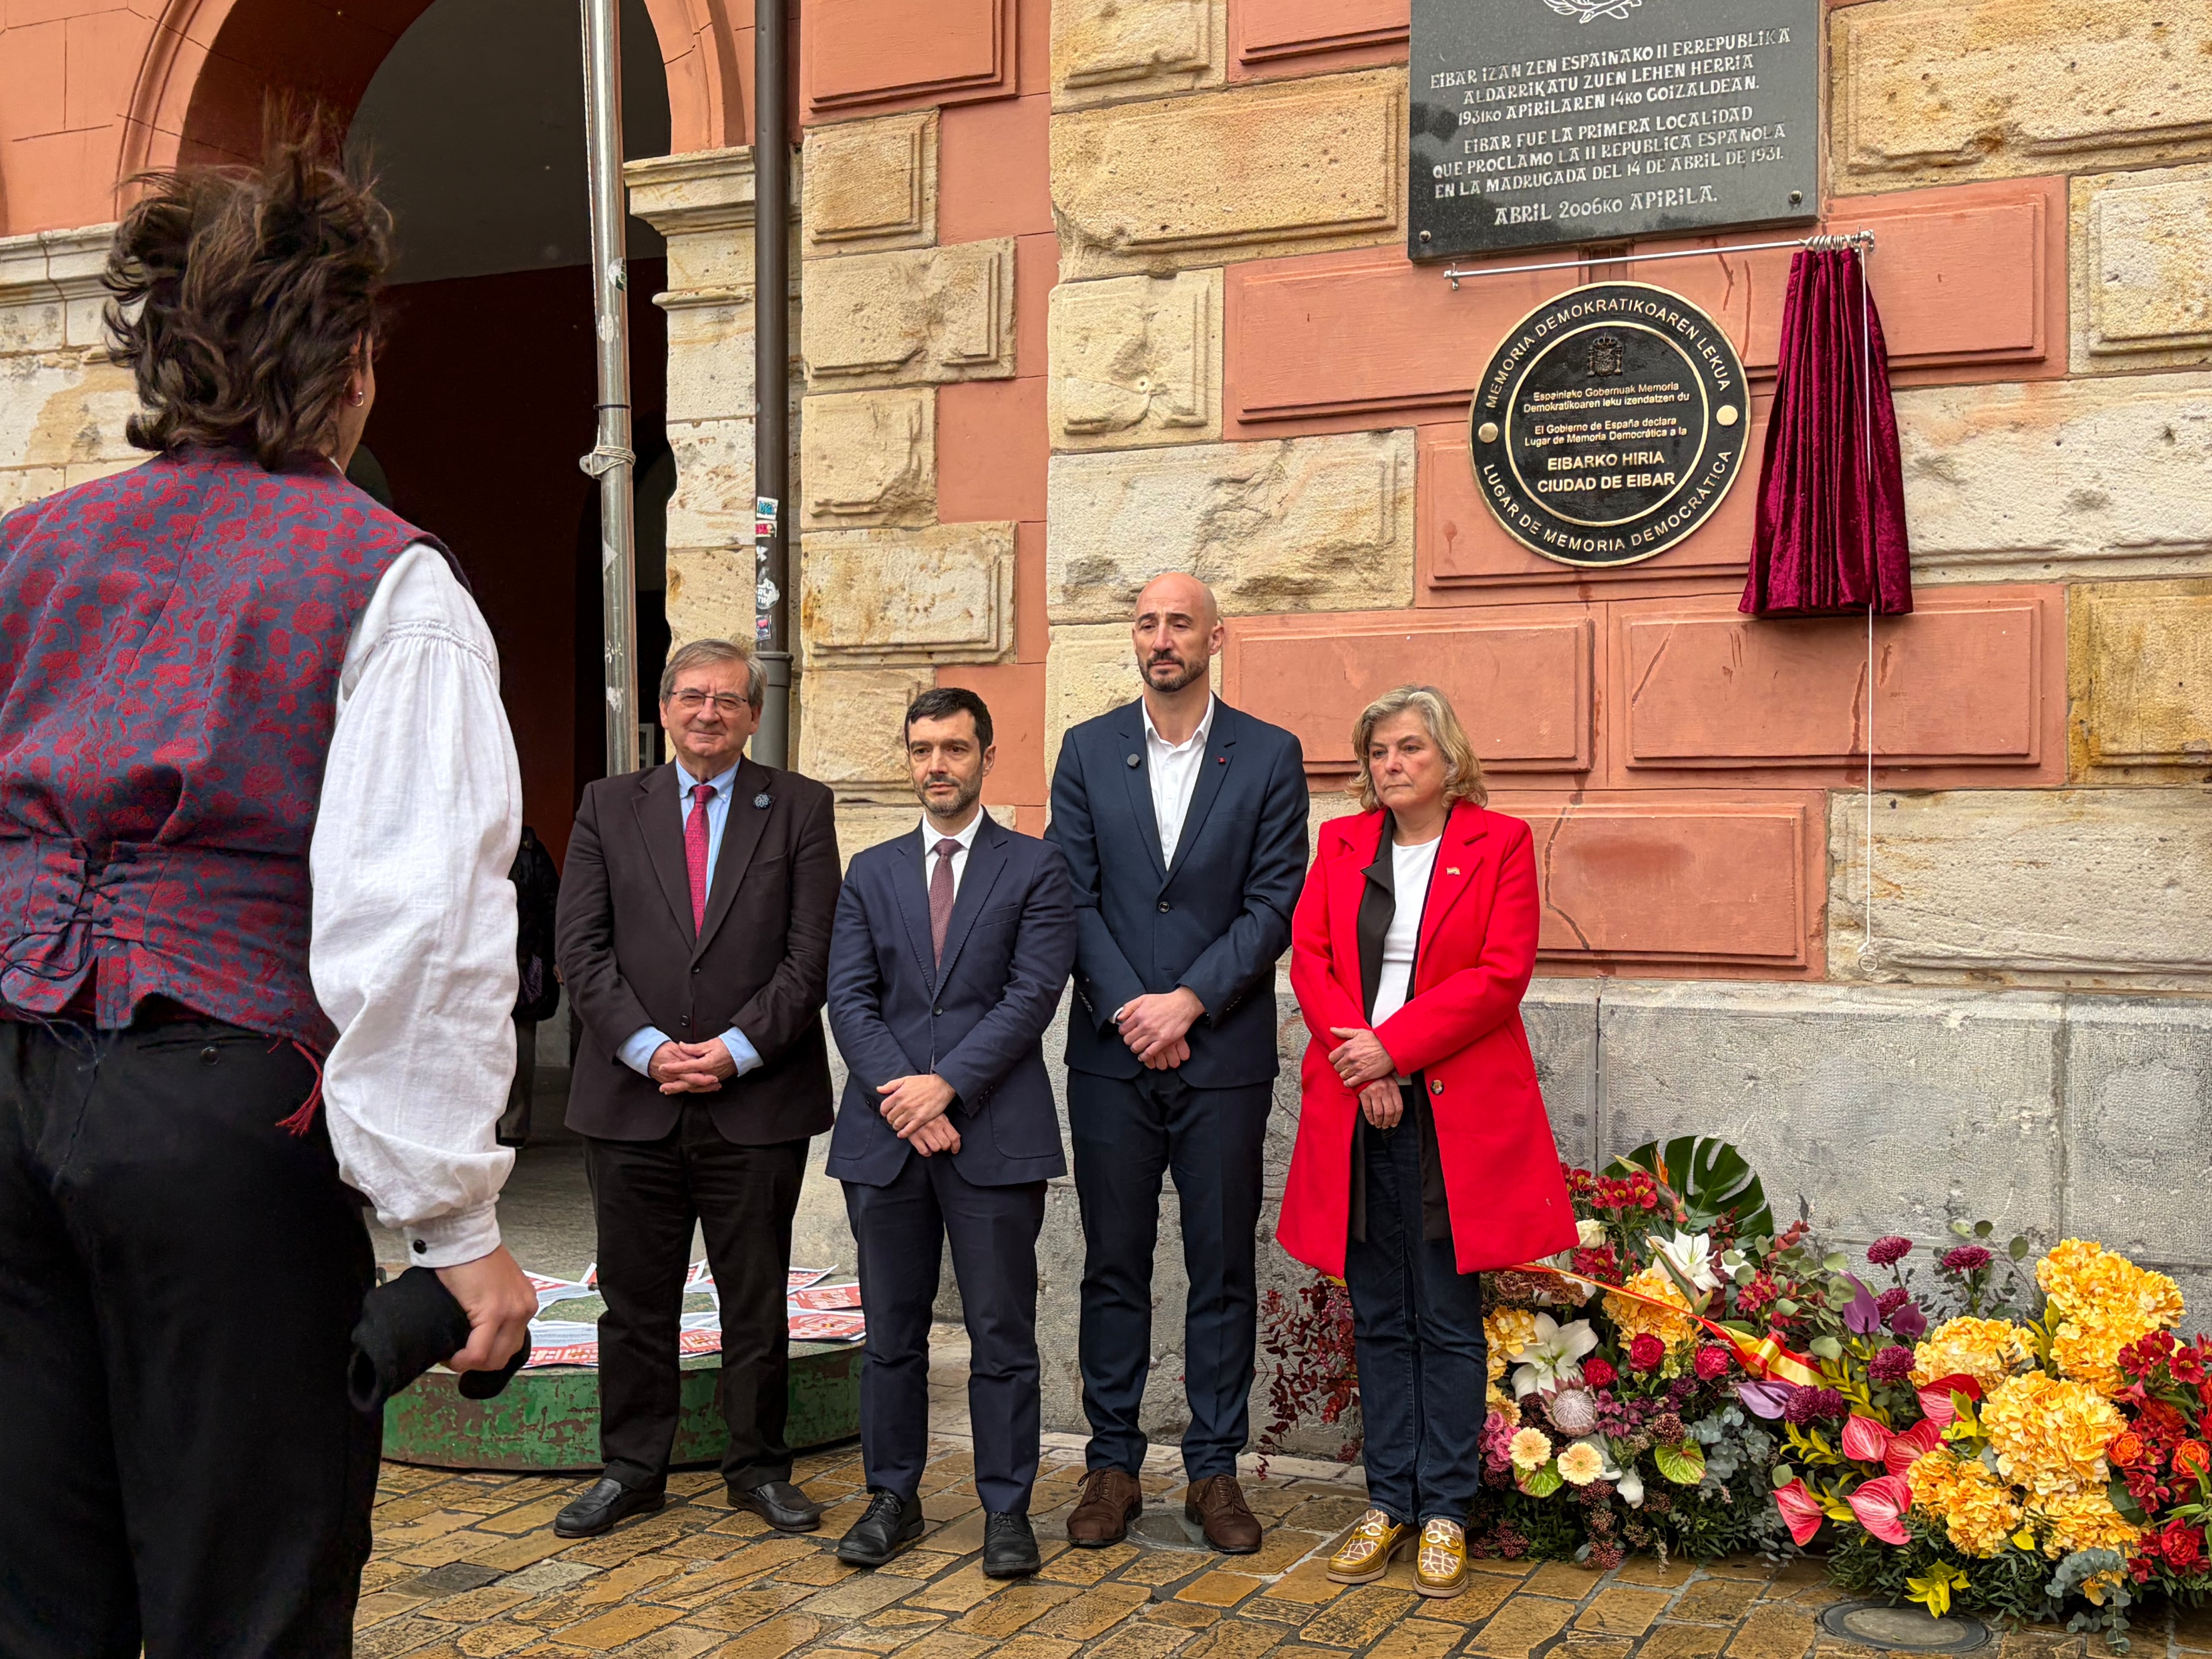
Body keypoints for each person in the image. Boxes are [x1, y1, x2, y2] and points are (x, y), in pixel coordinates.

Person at [0, 131, 537, 1656]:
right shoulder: (384, 578)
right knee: (250, 1602)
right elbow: (415, 920)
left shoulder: (26, 553)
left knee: (41, 1597)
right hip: (219, 1123)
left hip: (12, 1092)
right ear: (353, 362)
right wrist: (454, 1228)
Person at [1277, 686, 1578, 1601]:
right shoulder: (1340, 846)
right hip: (1354, 1102)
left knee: (1443, 1317)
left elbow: (1500, 975)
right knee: (1377, 1311)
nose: (1393, 765)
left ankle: (1445, 1507)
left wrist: (1395, 1051)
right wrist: (1364, 1069)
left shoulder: (1501, 843)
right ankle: (1390, 1501)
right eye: (1378, 753)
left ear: (1449, 759)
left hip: (1452, 1111)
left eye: (1410, 748)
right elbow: (1313, 960)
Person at [552, 637, 841, 1539]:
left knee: (754, 1300)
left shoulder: (797, 807)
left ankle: (756, 1468)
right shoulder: (607, 806)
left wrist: (735, 1049)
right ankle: (633, 1469)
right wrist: (645, 1047)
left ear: (753, 715)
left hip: (754, 1101)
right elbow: (580, 948)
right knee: (635, 1300)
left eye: (726, 699)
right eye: (690, 697)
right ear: (666, 709)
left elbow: (810, 955)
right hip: (631, 1099)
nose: (707, 713)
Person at [1044, 572, 1308, 1553]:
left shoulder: (1269, 756)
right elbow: (1067, 895)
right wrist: (1129, 1009)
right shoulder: (1086, 750)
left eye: (1180, 623)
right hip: (1112, 1059)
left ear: (1215, 638)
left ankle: (1213, 1473)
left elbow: (1275, 899)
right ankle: (1110, 1465)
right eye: (1149, 622)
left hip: (1222, 1055)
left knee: (1220, 1269)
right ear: (1135, 637)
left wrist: (1189, 1001)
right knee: (1112, 1265)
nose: (1163, 638)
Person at [825, 687, 1076, 1580]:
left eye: (956, 749)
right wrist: (905, 1098)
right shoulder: (871, 871)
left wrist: (946, 1089)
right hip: (885, 1137)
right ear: (908, 758)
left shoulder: (1037, 869)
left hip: (993, 1136)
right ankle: (891, 1495)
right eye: (923, 749)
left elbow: (1030, 997)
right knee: (890, 1331)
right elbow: (848, 1000)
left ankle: (1006, 1508)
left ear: (985, 756)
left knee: (1001, 1331)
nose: (938, 765)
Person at [499, 823, 562, 1146]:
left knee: (521, 1040)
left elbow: (553, 904)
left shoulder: (530, 849)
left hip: (525, 959)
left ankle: (513, 1126)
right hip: (480, 960)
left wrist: (556, 957)